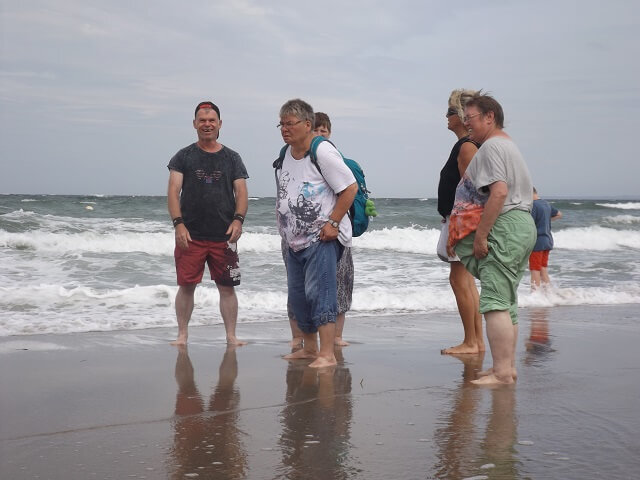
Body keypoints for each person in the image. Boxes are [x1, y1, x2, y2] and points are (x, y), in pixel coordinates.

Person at [447, 93, 536, 385]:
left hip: (506, 224)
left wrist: (481, 236)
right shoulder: (507, 145)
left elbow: (498, 192)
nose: (466, 123)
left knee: (495, 301)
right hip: (520, 224)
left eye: (470, 118)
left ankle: (501, 372)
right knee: (507, 301)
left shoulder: (493, 147)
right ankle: (506, 367)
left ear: (489, 117)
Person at [275, 99, 357, 368]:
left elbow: (350, 188)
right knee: (299, 296)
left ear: (307, 124)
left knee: (321, 293)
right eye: (281, 124)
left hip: (320, 238)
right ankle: (310, 349)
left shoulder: (322, 151)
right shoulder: (286, 153)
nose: (284, 129)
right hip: (293, 240)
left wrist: (333, 223)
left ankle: (327, 354)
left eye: (290, 124)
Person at [167, 101, 249, 346]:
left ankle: (231, 336)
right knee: (186, 286)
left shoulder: (232, 158)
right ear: (194, 124)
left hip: (224, 235)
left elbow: (241, 192)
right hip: (190, 235)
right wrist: (178, 224)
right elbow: (173, 191)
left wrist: (238, 220)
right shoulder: (183, 156)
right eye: (202, 120)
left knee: (227, 287)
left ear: (220, 124)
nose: (207, 124)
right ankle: (182, 335)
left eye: (211, 120)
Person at [436, 89, 484, 355]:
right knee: (466, 281)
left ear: (462, 116)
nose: (446, 116)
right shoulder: (466, 145)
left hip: (461, 221)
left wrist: (457, 228)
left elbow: (470, 193)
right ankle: (476, 341)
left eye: (450, 111)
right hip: (458, 220)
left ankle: (471, 342)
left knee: (459, 280)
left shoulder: (466, 146)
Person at [529, 187, 562, 289]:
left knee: (535, 269)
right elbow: (559, 214)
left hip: (537, 242)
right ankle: (548, 293)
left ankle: (535, 294)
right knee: (543, 268)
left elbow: (529, 223)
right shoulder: (546, 203)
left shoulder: (533, 205)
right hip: (548, 240)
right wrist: (546, 220)